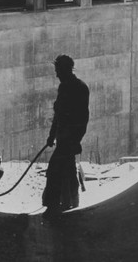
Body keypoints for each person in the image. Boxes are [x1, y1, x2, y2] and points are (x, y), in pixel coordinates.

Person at [42, 54, 90, 218]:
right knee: (68, 169)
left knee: (55, 170)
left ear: (65, 69)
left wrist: (73, 139)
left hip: (69, 138)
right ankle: (70, 203)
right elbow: (59, 115)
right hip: (66, 137)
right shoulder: (68, 87)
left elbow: (81, 117)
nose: (56, 74)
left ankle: (54, 205)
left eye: (58, 70)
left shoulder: (76, 88)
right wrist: (52, 135)